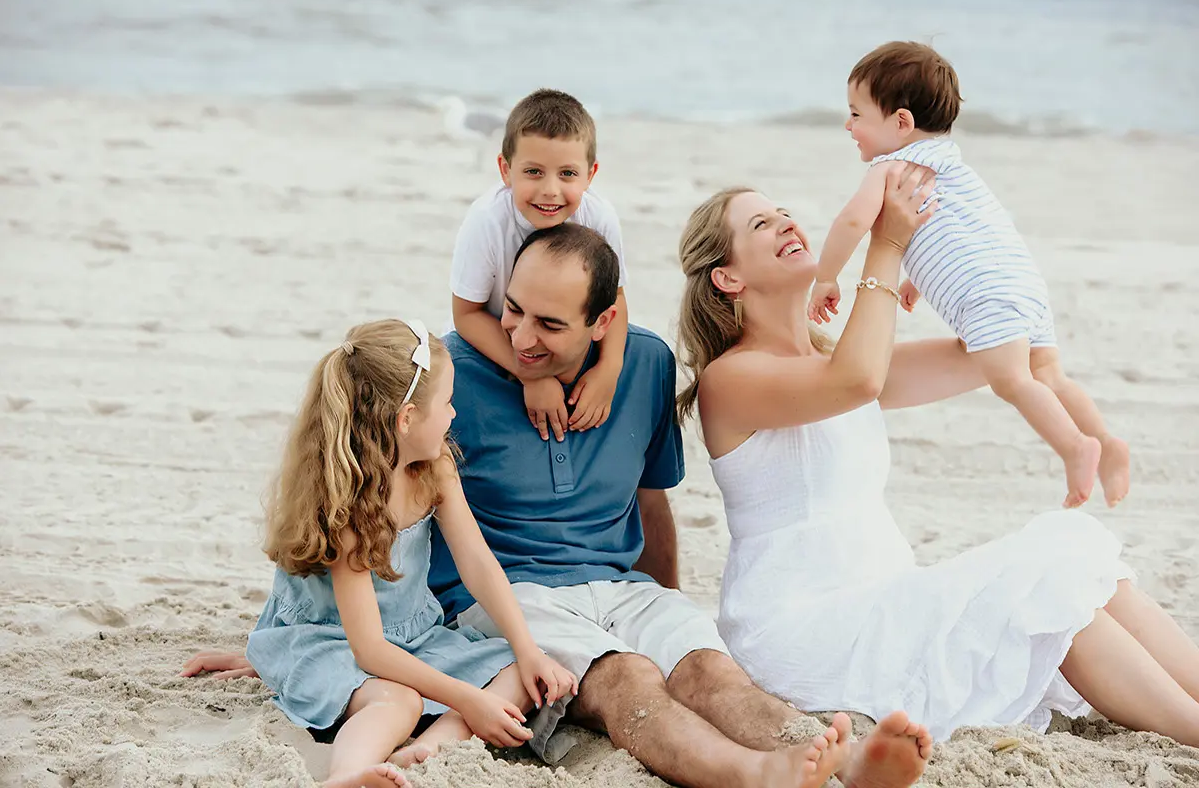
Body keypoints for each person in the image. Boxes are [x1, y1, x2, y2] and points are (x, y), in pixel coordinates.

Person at [185, 214, 938, 788]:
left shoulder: (640, 363)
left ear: (603, 323)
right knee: (628, 682)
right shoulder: (455, 381)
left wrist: (665, 603)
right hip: (519, 597)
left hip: (616, 587)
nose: (518, 335)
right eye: (512, 310)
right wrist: (276, 647)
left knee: (709, 669)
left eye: (549, 324)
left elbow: (652, 501)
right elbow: (347, 511)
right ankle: (756, 777)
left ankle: (833, 759)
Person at [675, 166, 1199, 748]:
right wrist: (887, 244)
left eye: (782, 212)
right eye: (760, 224)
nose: (784, 222)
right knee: (1049, 600)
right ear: (727, 277)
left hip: (887, 598)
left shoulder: (836, 361)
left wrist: (944, 263)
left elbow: (988, 352)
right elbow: (858, 380)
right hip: (806, 628)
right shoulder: (731, 380)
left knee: (1082, 568)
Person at [184, 319, 577, 788]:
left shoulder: (436, 466)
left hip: (413, 635)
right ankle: (350, 776)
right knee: (400, 702)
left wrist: (527, 649)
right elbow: (368, 649)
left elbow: (478, 564)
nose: (454, 415)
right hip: (335, 642)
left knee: (522, 673)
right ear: (406, 418)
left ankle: (428, 748)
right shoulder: (350, 502)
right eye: (447, 403)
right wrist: (468, 699)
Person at [806, 40, 1129, 510]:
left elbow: (853, 222)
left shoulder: (890, 168)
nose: (848, 124)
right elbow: (959, 229)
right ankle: (1107, 442)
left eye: (857, 114)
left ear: (900, 123)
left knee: (1012, 381)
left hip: (988, 295)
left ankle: (1076, 447)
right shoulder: (953, 163)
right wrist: (920, 274)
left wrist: (826, 277)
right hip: (1022, 282)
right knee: (1048, 375)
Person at [449, 88, 630, 443]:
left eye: (567, 174)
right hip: (493, 338)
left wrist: (609, 369)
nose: (550, 190)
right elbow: (466, 315)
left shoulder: (600, 217)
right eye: (533, 172)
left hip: (560, 337)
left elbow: (616, 298)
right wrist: (532, 376)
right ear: (505, 169)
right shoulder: (487, 221)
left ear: (590, 175)